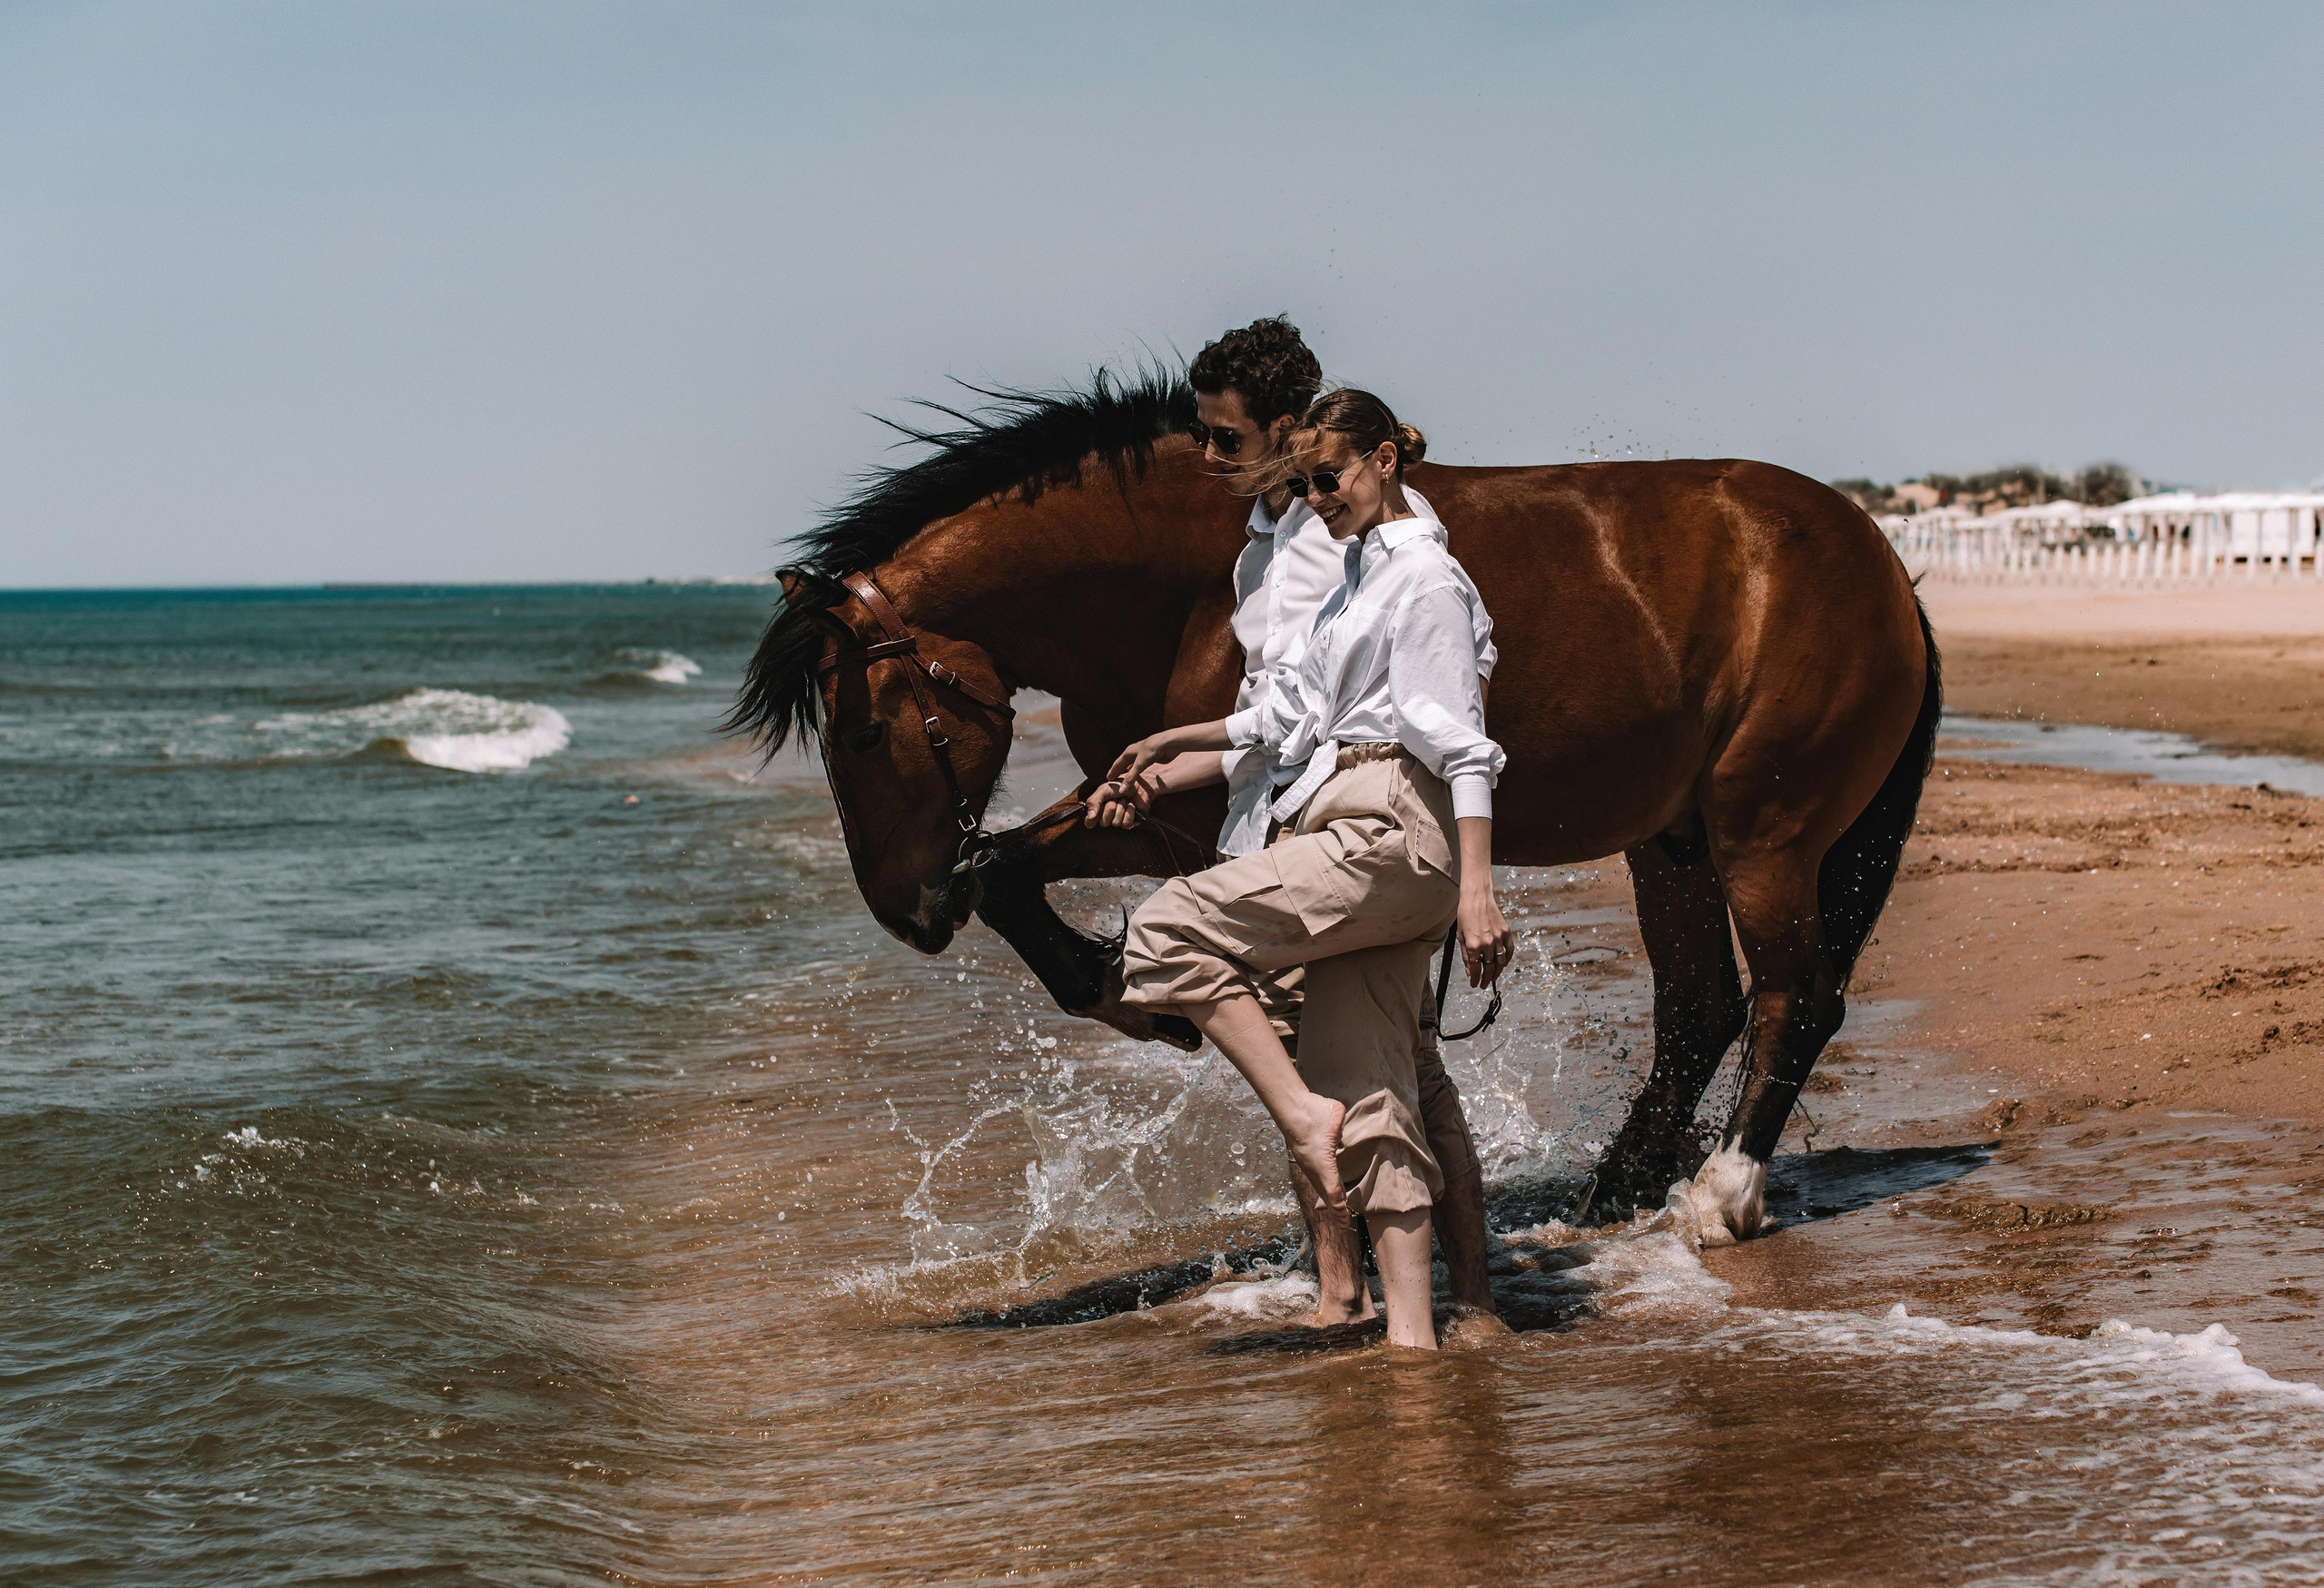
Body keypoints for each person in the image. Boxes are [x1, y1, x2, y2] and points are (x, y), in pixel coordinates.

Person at [1094, 319, 1502, 1329]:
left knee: (1350, 1070)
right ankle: (1406, 1343)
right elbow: (1288, 712)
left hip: (1365, 825)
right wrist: (1169, 752)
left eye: (1226, 440)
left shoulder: (1391, 567)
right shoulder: (1300, 555)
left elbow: (1453, 737)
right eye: (1204, 437)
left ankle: (1436, 1289)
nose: (1209, 457)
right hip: (1317, 810)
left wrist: (1478, 887)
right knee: (1373, 1080)